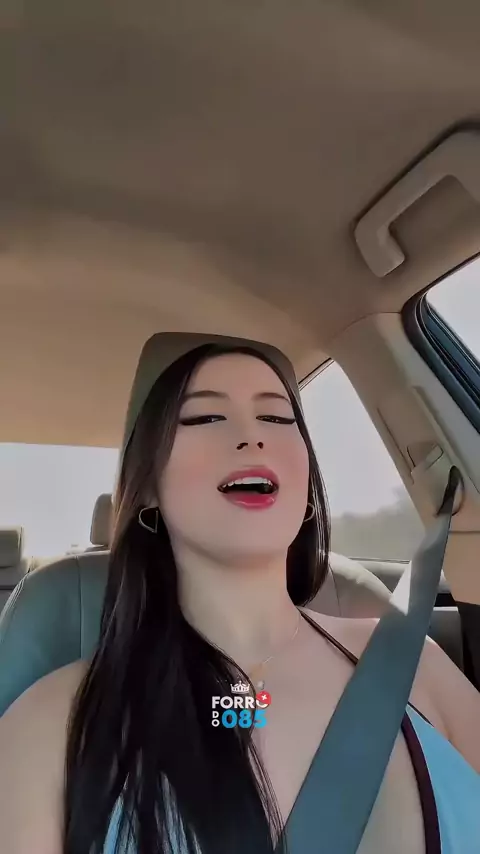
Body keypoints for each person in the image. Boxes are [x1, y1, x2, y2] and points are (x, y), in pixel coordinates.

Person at [0, 336, 479, 854]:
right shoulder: (53, 723)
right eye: (205, 418)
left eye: (277, 418)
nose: (253, 437)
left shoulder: (416, 666)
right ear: (149, 486)